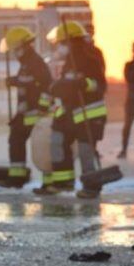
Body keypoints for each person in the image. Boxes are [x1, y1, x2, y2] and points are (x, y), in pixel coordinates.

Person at [43, 20, 108, 198]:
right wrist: (58, 87)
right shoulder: (69, 63)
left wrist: (84, 83)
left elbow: (100, 85)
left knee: (86, 151)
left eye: (62, 43)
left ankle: (91, 187)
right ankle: (63, 182)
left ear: (71, 42)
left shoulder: (91, 59)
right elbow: (66, 87)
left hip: (89, 114)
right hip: (70, 114)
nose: (60, 47)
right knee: (57, 142)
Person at [0, 26, 53, 189]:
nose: (14, 53)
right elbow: (27, 82)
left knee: (40, 145)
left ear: (24, 46)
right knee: (16, 139)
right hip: (26, 113)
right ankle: (18, 177)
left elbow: (47, 86)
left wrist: (42, 108)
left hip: (37, 113)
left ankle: (47, 182)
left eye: (16, 49)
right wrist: (14, 80)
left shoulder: (36, 63)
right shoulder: (26, 63)